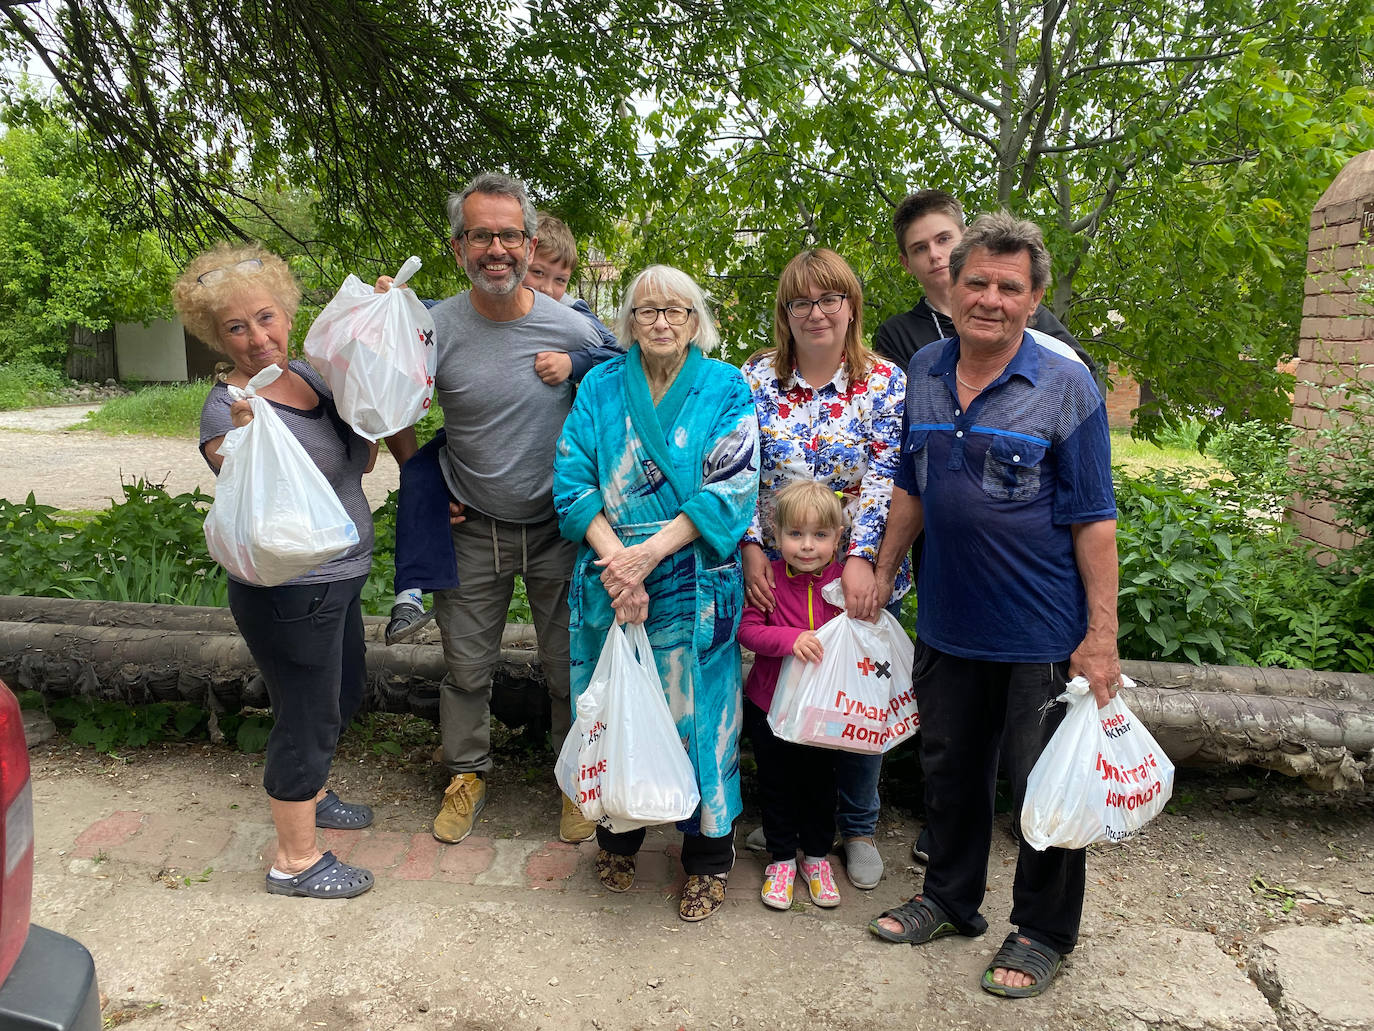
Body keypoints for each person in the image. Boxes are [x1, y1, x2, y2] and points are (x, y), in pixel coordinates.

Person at [866, 212, 1120, 1000]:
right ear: (954, 285)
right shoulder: (929, 369)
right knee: (949, 771)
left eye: (1009, 287)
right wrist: (881, 573)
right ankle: (949, 897)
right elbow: (912, 484)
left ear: (1034, 298)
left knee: (1042, 787)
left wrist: (1100, 636)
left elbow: (1095, 518)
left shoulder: (1066, 381)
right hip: (947, 620)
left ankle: (1043, 930)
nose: (989, 298)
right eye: (976, 281)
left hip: (1038, 631)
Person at [381, 172, 609, 848]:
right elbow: (392, 403)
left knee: (571, 662)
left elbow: (625, 390)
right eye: (481, 235)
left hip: (559, 528)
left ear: (529, 242)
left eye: (509, 235)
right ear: (459, 248)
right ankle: (466, 772)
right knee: (466, 666)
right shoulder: (433, 327)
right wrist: (422, 478)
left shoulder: (573, 328)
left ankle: (575, 779)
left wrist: (577, 368)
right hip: (472, 523)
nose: (497, 249)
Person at [553, 264, 759, 922]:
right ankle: (618, 835)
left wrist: (647, 556)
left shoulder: (726, 387)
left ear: (697, 322)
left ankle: (706, 857)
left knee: (706, 724)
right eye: (647, 311)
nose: (662, 321)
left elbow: (732, 486)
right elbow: (571, 477)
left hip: (693, 579)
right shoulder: (600, 386)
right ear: (629, 324)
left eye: (675, 311)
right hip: (613, 579)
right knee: (616, 708)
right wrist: (620, 562)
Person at [174, 243, 378, 899]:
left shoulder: (311, 379)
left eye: (266, 317)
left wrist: (367, 367)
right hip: (289, 589)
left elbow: (360, 462)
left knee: (338, 697)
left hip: (338, 575)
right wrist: (242, 435)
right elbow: (240, 480)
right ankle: (294, 859)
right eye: (237, 326)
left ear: (287, 313)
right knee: (307, 714)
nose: (258, 337)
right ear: (217, 334)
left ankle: (313, 792)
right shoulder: (228, 405)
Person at [739, 248, 908, 892]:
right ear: (785, 313)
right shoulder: (755, 379)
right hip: (779, 565)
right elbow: (740, 472)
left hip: (854, 570)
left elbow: (887, 478)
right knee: (784, 685)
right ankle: (791, 827)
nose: (817, 313)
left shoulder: (884, 381)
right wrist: (754, 545)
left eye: (830, 299)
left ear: (852, 308)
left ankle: (856, 824)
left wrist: (863, 560)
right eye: (802, 301)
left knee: (854, 697)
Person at [384, 210, 620, 651]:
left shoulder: (571, 318)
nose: (549, 289)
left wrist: (573, 363)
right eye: (540, 275)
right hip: (477, 482)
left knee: (567, 660)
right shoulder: (455, 315)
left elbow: (619, 356)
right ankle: (410, 591)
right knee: (419, 475)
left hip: (554, 493)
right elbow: (422, 324)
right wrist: (394, 304)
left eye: (561, 279)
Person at [736, 480, 847, 911]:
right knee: (777, 784)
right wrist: (790, 639)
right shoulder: (767, 581)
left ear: (838, 538)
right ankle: (781, 859)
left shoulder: (842, 583)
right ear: (775, 535)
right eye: (795, 535)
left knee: (821, 785)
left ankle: (816, 859)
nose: (806, 547)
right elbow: (748, 631)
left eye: (820, 535)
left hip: (825, 709)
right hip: (770, 704)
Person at [873, 189, 1098, 378]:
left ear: (966, 238)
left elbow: (1084, 375)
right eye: (920, 248)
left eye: (944, 239)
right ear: (906, 263)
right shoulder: (897, 334)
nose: (935, 254)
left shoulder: (1021, 312)